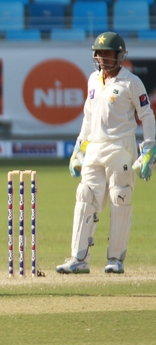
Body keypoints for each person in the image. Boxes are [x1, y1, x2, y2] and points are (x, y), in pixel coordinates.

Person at [59, 32, 156, 275]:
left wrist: (149, 149)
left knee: (120, 199)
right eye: (99, 53)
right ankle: (79, 259)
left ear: (120, 56)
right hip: (95, 149)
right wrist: (79, 150)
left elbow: (147, 115)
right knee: (85, 196)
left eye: (108, 53)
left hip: (120, 149)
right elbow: (88, 117)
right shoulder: (93, 79)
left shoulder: (131, 82)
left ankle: (116, 259)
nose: (102, 58)